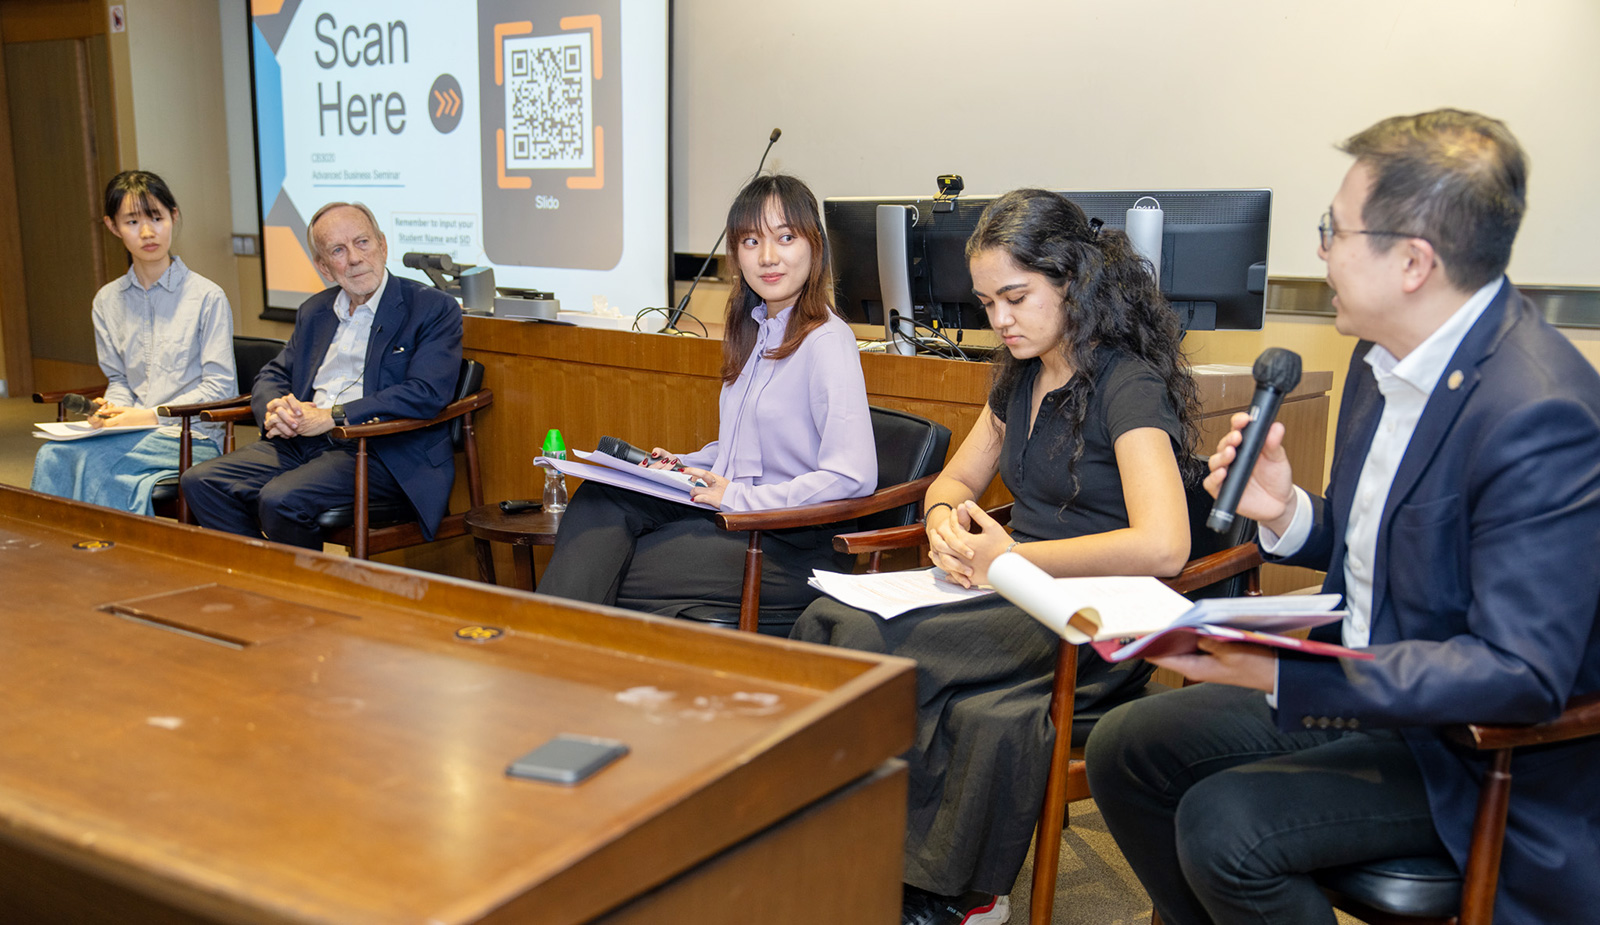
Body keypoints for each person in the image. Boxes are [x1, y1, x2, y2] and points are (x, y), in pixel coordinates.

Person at [1085, 109, 1600, 925]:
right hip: (1369, 687)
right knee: (1127, 745)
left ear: (1413, 262)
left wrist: (1294, 673)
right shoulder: (1380, 347)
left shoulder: (1541, 411)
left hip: (1467, 752)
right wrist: (1288, 512)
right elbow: (1401, 548)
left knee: (1226, 828)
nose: (1319, 251)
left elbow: (1520, 673)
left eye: (1333, 229)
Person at [792, 188, 1200, 925]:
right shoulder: (1021, 372)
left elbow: (1166, 544)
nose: (1000, 321)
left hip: (1087, 616)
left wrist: (1016, 557)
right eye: (987, 304)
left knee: (854, 632)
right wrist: (945, 520)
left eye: (1016, 297)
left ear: (1072, 281)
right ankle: (868, 852)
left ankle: (921, 875)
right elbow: (952, 478)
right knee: (834, 617)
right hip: (1009, 590)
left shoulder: (1125, 382)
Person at [537, 174, 876, 618]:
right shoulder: (755, 330)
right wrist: (681, 465)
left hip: (787, 543)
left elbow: (852, 476)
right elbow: (750, 449)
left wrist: (738, 498)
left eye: (785, 238)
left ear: (815, 245)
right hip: (736, 521)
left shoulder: (828, 340)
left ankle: (542, 652)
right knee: (601, 497)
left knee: (612, 563)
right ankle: (547, 651)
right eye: (751, 241)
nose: (768, 257)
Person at [180, 202, 463, 549]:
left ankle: (307, 595)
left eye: (363, 243)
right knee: (200, 481)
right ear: (324, 267)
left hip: (378, 450)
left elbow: (426, 392)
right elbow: (274, 372)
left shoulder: (431, 307)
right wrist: (275, 409)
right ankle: (266, 581)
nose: (355, 258)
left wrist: (333, 417)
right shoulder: (315, 311)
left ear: (383, 245)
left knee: (280, 499)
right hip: (303, 443)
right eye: (338, 251)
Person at [31, 170, 236, 514]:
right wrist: (112, 410)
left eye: (156, 218)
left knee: (96, 464)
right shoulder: (107, 301)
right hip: (130, 433)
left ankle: (103, 560)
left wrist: (145, 416)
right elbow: (120, 381)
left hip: (189, 437)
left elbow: (220, 387)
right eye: (131, 221)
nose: (147, 232)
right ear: (113, 227)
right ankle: (58, 560)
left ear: (173, 215)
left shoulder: (207, 297)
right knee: (53, 453)